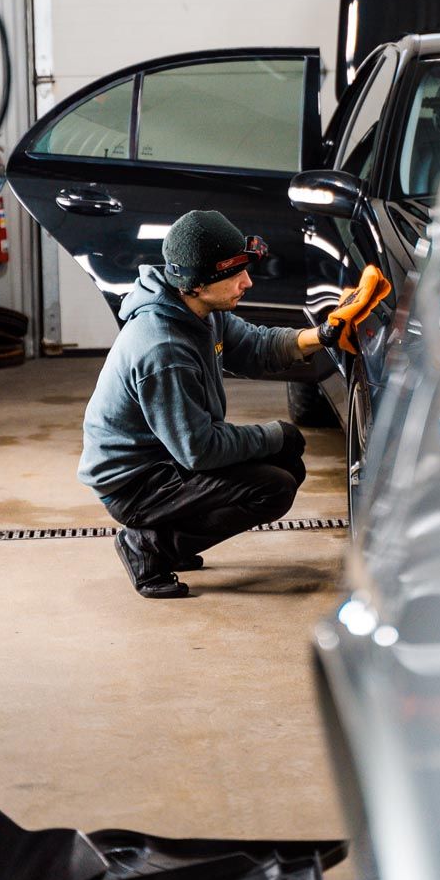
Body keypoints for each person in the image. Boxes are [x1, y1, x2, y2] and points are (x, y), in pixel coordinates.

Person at [78, 209, 343, 599]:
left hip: (166, 459)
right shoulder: (162, 348)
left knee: (286, 460)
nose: (247, 282)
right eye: (233, 276)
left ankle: (170, 537)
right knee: (273, 487)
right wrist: (273, 434)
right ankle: (149, 546)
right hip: (135, 483)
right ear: (196, 284)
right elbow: (199, 450)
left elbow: (253, 346)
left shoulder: (198, 311)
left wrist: (323, 334)